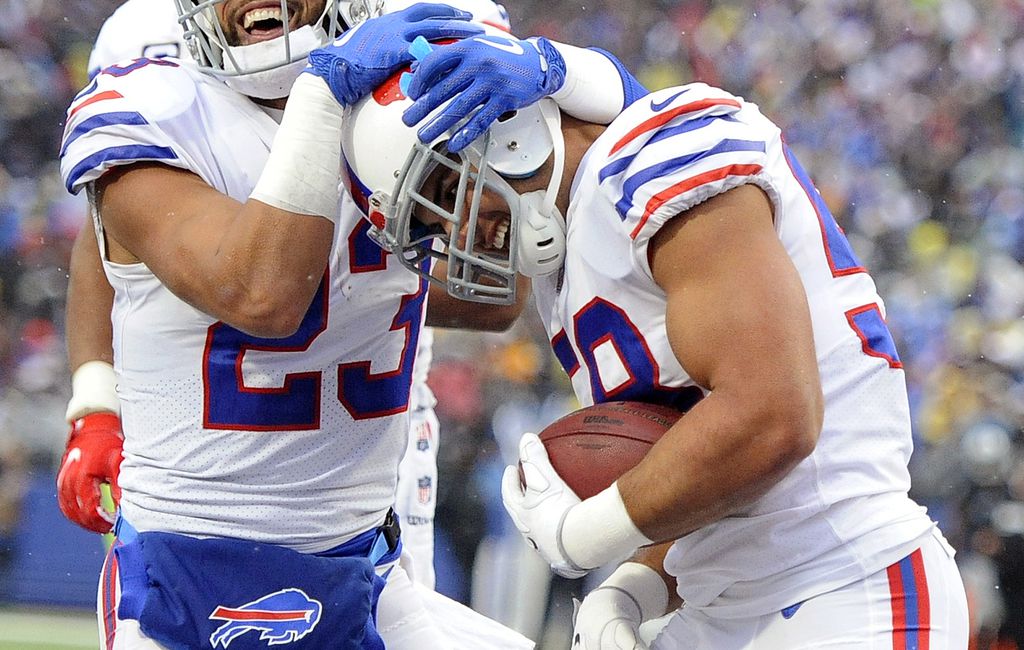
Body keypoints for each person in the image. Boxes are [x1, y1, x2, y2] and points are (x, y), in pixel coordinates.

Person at [338, 36, 972, 648]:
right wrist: (638, 586)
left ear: (511, 132)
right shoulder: (575, 237)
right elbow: (710, 462)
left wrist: (586, 535)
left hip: (845, 586)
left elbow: (773, 417)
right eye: (433, 220)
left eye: (450, 194)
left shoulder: (656, 155)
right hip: (727, 604)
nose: (457, 231)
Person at [57, 1, 647, 646]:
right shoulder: (148, 93)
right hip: (194, 573)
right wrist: (96, 403)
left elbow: (494, 289)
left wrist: (554, 67)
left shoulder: (407, 51)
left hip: (363, 556)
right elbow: (258, 295)